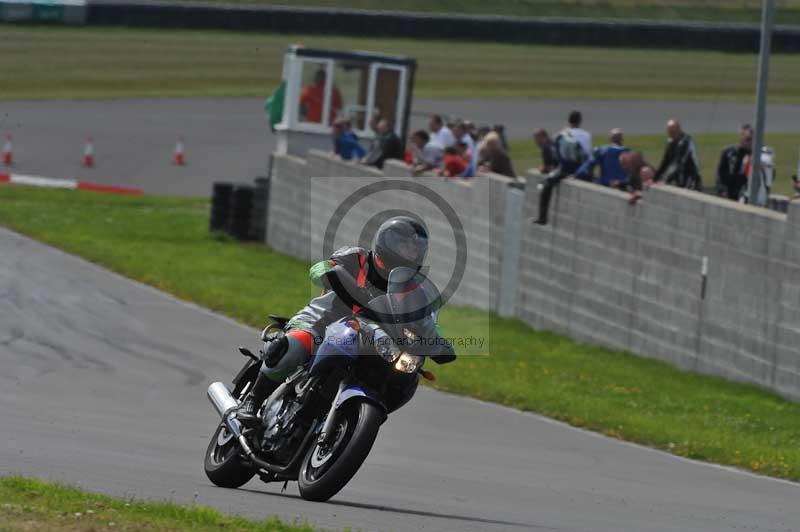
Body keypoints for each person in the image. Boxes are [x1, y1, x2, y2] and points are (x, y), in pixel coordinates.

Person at [236, 217, 455, 424]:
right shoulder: (357, 257)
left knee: (403, 375)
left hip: (377, 337)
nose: (411, 252)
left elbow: (428, 321)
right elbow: (321, 268)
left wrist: (435, 340)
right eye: (405, 246)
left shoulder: (416, 288)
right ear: (387, 241)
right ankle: (252, 401)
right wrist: (328, 273)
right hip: (322, 321)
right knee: (296, 345)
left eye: (416, 248)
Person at [534, 121, 591, 225]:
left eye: (536, 138)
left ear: (542, 137)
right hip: (578, 167)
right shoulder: (568, 141)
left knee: (545, 185)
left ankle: (542, 218)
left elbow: (551, 166)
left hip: (566, 169)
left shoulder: (547, 146)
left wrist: (546, 170)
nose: (535, 141)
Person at [655, 119, 703, 190]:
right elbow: (665, 161)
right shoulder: (671, 142)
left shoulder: (686, 141)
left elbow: (679, 162)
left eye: (673, 132)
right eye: (669, 132)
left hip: (692, 176)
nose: (671, 135)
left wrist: (665, 179)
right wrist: (655, 178)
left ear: (679, 130)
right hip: (680, 175)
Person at [715, 124, 753, 201]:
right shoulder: (728, 152)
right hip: (727, 193)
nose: (749, 142)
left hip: (743, 195)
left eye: (751, 139)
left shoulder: (755, 156)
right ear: (740, 136)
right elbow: (720, 173)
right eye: (747, 139)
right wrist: (722, 190)